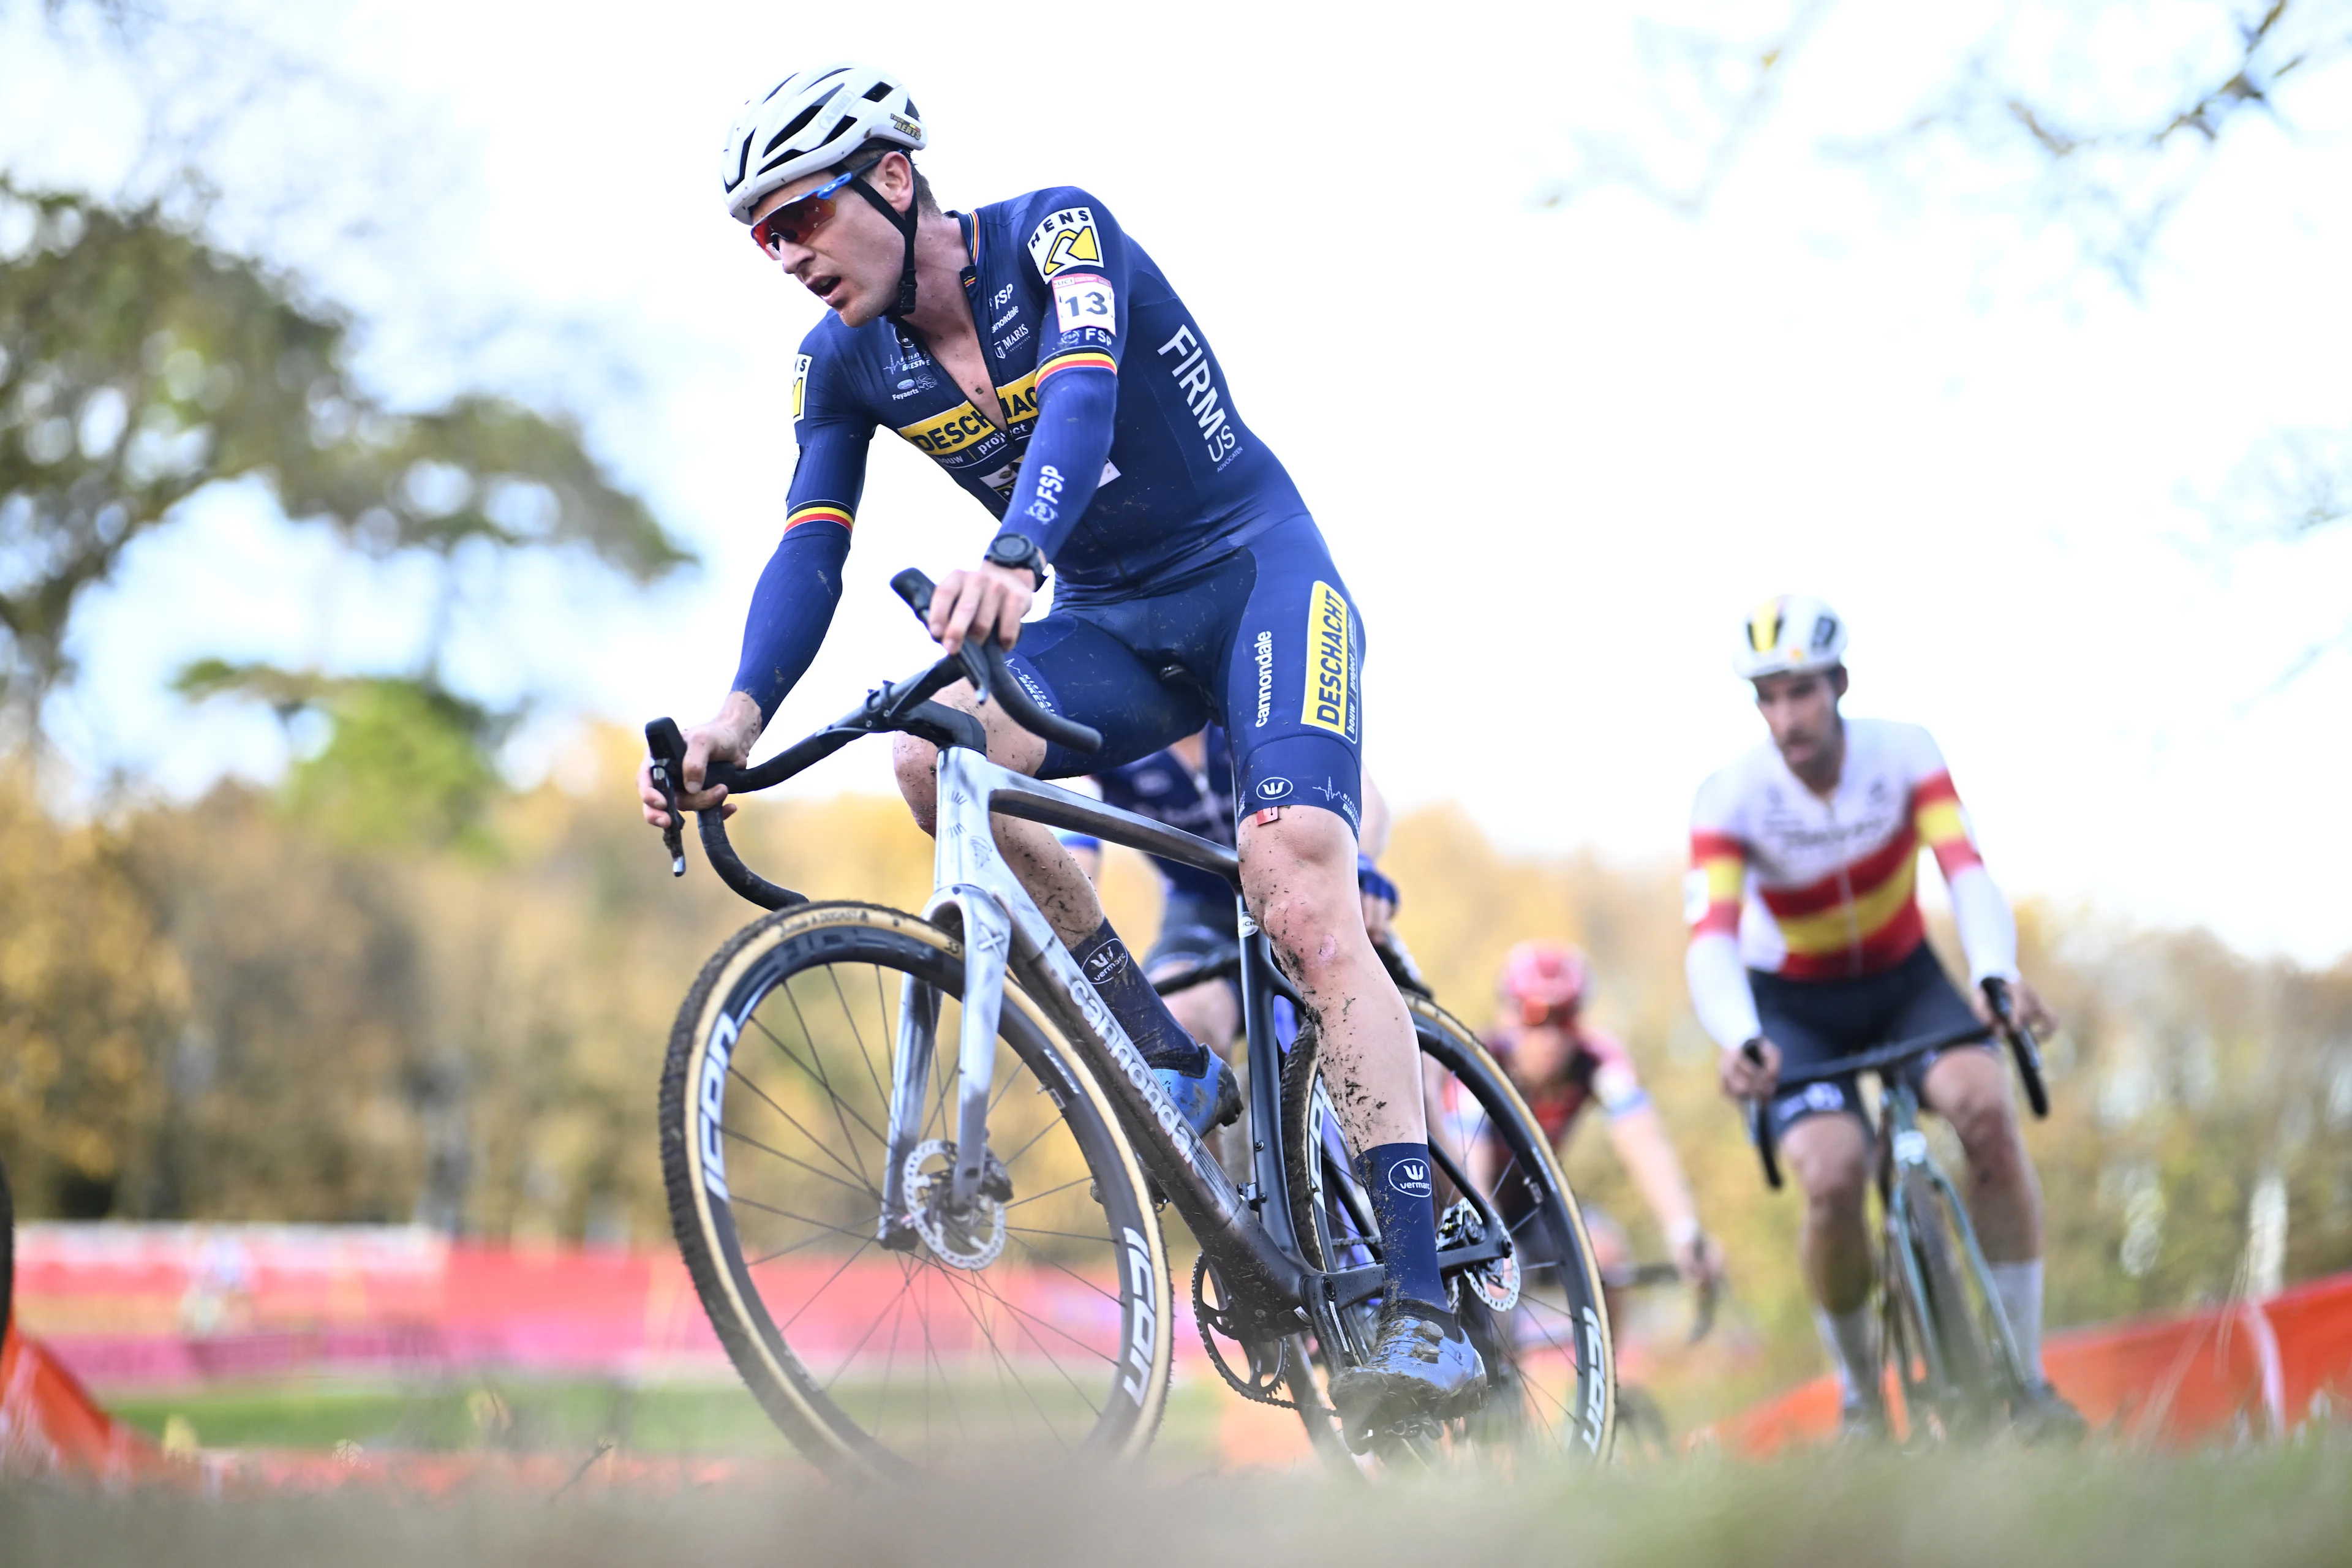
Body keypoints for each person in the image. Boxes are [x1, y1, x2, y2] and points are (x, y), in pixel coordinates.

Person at [638, 64, 1478, 1439]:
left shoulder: (1059, 233)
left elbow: (1080, 402)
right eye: (760, 236)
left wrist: (1016, 552)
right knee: (930, 759)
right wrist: (734, 719)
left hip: (1256, 577)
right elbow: (811, 543)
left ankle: (1419, 1296)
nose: (784, 254)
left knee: (1301, 892)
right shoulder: (839, 360)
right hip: (1115, 623)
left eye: (799, 216)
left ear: (893, 179)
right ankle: (1162, 1058)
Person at [1684, 595, 2081, 1438]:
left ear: (1840, 684)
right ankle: (1862, 1400)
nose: (1784, 716)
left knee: (1985, 1109)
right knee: (1831, 1178)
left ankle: (2030, 1380)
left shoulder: (1905, 752)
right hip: (1796, 1006)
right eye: (1767, 697)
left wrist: (1993, 973)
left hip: (1908, 982)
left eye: (1800, 693)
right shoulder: (1731, 796)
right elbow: (1711, 938)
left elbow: (1965, 871)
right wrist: (1739, 1037)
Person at [1060, 726, 1400, 1071]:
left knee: (1412, 1055)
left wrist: (1358, 862)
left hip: (1300, 889)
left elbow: (1355, 787)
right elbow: (1071, 845)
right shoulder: (1109, 723)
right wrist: (1067, 935)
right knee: (1176, 1024)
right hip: (1201, 909)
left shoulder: (1253, 696)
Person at [1463, 941, 1724, 1318]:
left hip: (1531, 1207)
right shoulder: (1482, 1056)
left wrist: (1684, 1232)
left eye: (1565, 1017)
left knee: (1605, 1253)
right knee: (1499, 1281)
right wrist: (1487, 1235)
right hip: (1468, 1203)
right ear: (1507, 1014)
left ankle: (1604, 1376)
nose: (1550, 1038)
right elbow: (1467, 1157)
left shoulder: (1596, 1058)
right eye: (1534, 1016)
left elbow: (1644, 1141)